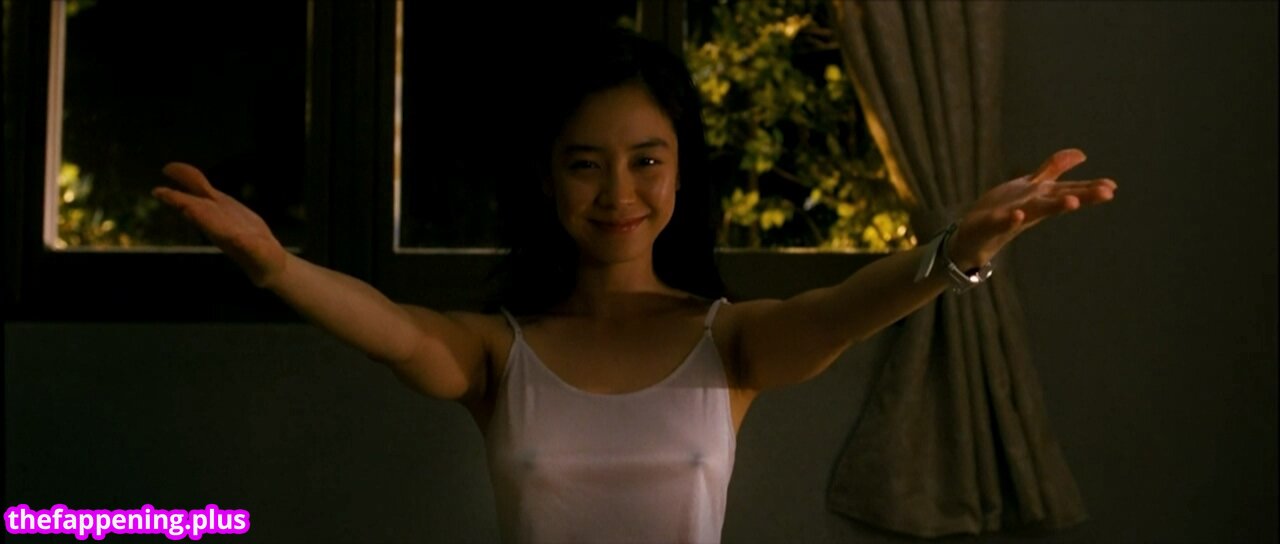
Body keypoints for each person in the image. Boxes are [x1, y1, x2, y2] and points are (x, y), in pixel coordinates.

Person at [151, 27, 1116, 544]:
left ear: (680, 173)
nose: (618, 194)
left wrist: (957, 250)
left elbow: (847, 308)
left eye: (645, 161)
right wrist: (278, 265)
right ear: (547, 179)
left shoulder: (729, 343)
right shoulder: (498, 354)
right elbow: (393, 328)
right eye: (586, 164)